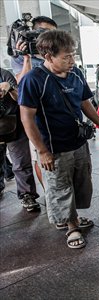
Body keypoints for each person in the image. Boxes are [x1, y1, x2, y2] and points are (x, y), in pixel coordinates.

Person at [18, 30, 99, 249]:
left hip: (78, 142)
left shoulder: (76, 74)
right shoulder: (33, 79)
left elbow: (84, 103)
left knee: (81, 182)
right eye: (66, 56)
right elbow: (27, 118)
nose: (72, 60)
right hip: (54, 147)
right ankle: (71, 226)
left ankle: (73, 217)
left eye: (73, 55)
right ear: (48, 57)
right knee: (60, 187)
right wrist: (42, 151)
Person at [0, 68, 40, 210]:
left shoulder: (4, 74)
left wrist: (9, 88)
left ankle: (27, 195)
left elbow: (19, 98)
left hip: (12, 123)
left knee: (21, 162)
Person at [11, 16, 58, 82]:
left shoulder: (60, 51)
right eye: (43, 32)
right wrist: (27, 59)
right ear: (32, 33)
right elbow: (22, 83)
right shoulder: (20, 57)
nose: (49, 37)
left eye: (53, 34)